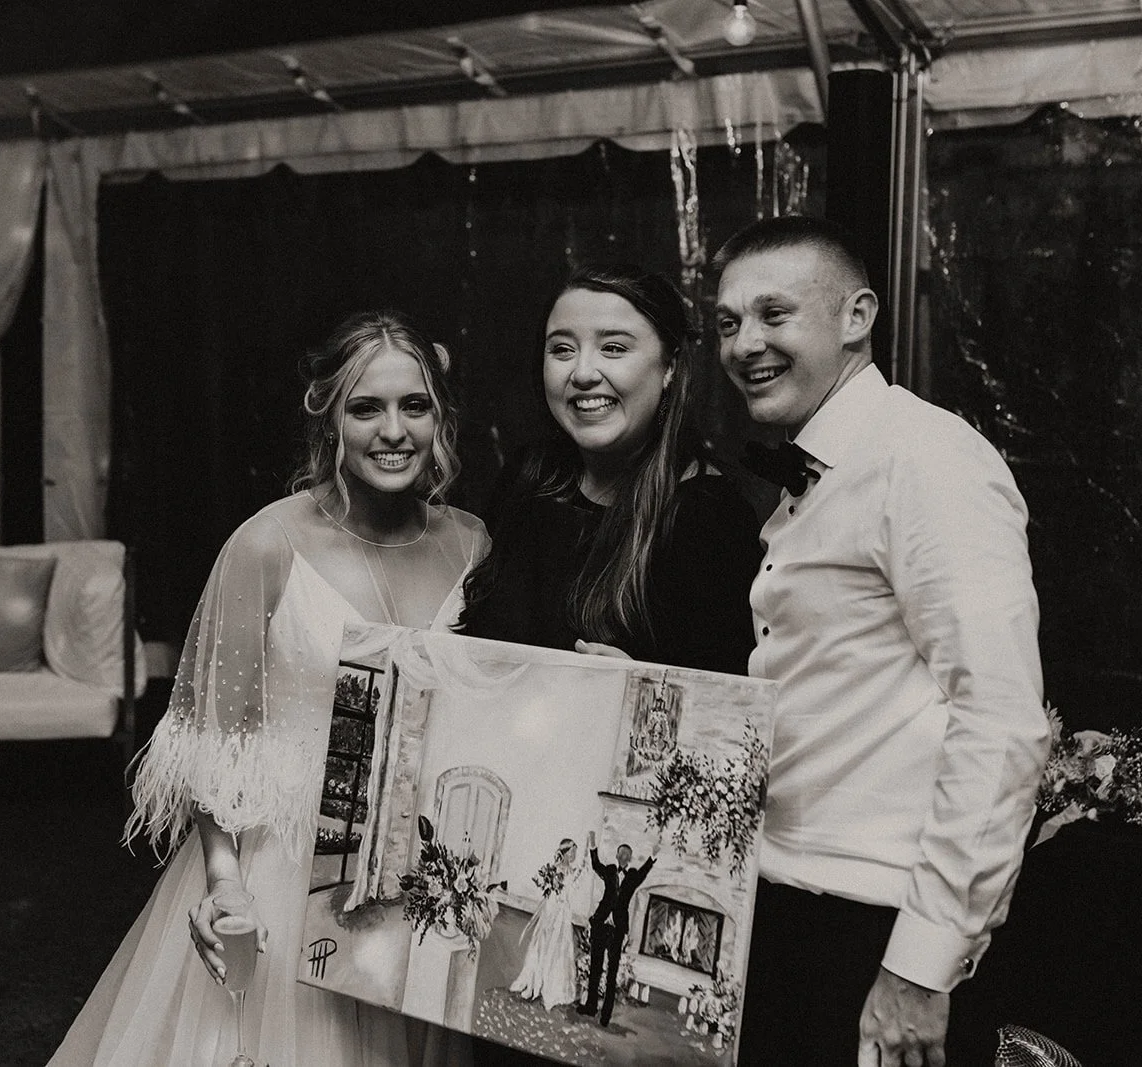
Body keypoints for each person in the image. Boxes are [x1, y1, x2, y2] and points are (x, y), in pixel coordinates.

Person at [48, 310, 488, 1067]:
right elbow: (215, 743)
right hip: (285, 871)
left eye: (414, 405)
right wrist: (226, 883)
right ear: (330, 418)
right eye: (366, 408)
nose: (393, 430)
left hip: (424, 878)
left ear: (440, 416)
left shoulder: (473, 541)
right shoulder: (266, 544)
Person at [712, 216, 1049, 1067]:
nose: (745, 343)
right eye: (727, 322)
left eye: (774, 314)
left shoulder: (925, 458)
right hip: (790, 917)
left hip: (874, 932)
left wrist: (921, 965)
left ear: (857, 316)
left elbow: (1001, 720)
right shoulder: (820, 473)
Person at [455, 262, 762, 674]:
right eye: (562, 349)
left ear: (669, 366)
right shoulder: (529, 478)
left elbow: (729, 697)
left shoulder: (711, 517)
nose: (582, 373)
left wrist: (644, 685)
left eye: (614, 348)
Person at [578, 831, 655, 1028]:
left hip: (618, 930)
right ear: (617, 856)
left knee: (611, 974)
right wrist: (593, 845)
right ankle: (590, 1006)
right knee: (595, 968)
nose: (624, 857)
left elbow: (644, 872)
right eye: (621, 854)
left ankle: (606, 1015)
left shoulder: (633, 876)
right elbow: (596, 865)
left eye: (627, 855)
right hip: (601, 924)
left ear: (630, 859)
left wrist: (652, 857)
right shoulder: (610, 870)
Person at [508, 837, 585, 1011]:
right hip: (553, 911)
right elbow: (551, 893)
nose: (574, 855)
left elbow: (571, 889)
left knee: (561, 947)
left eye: (575, 852)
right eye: (572, 852)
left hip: (564, 913)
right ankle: (535, 983)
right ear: (565, 853)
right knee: (545, 944)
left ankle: (555, 986)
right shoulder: (555, 869)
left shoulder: (572, 871)